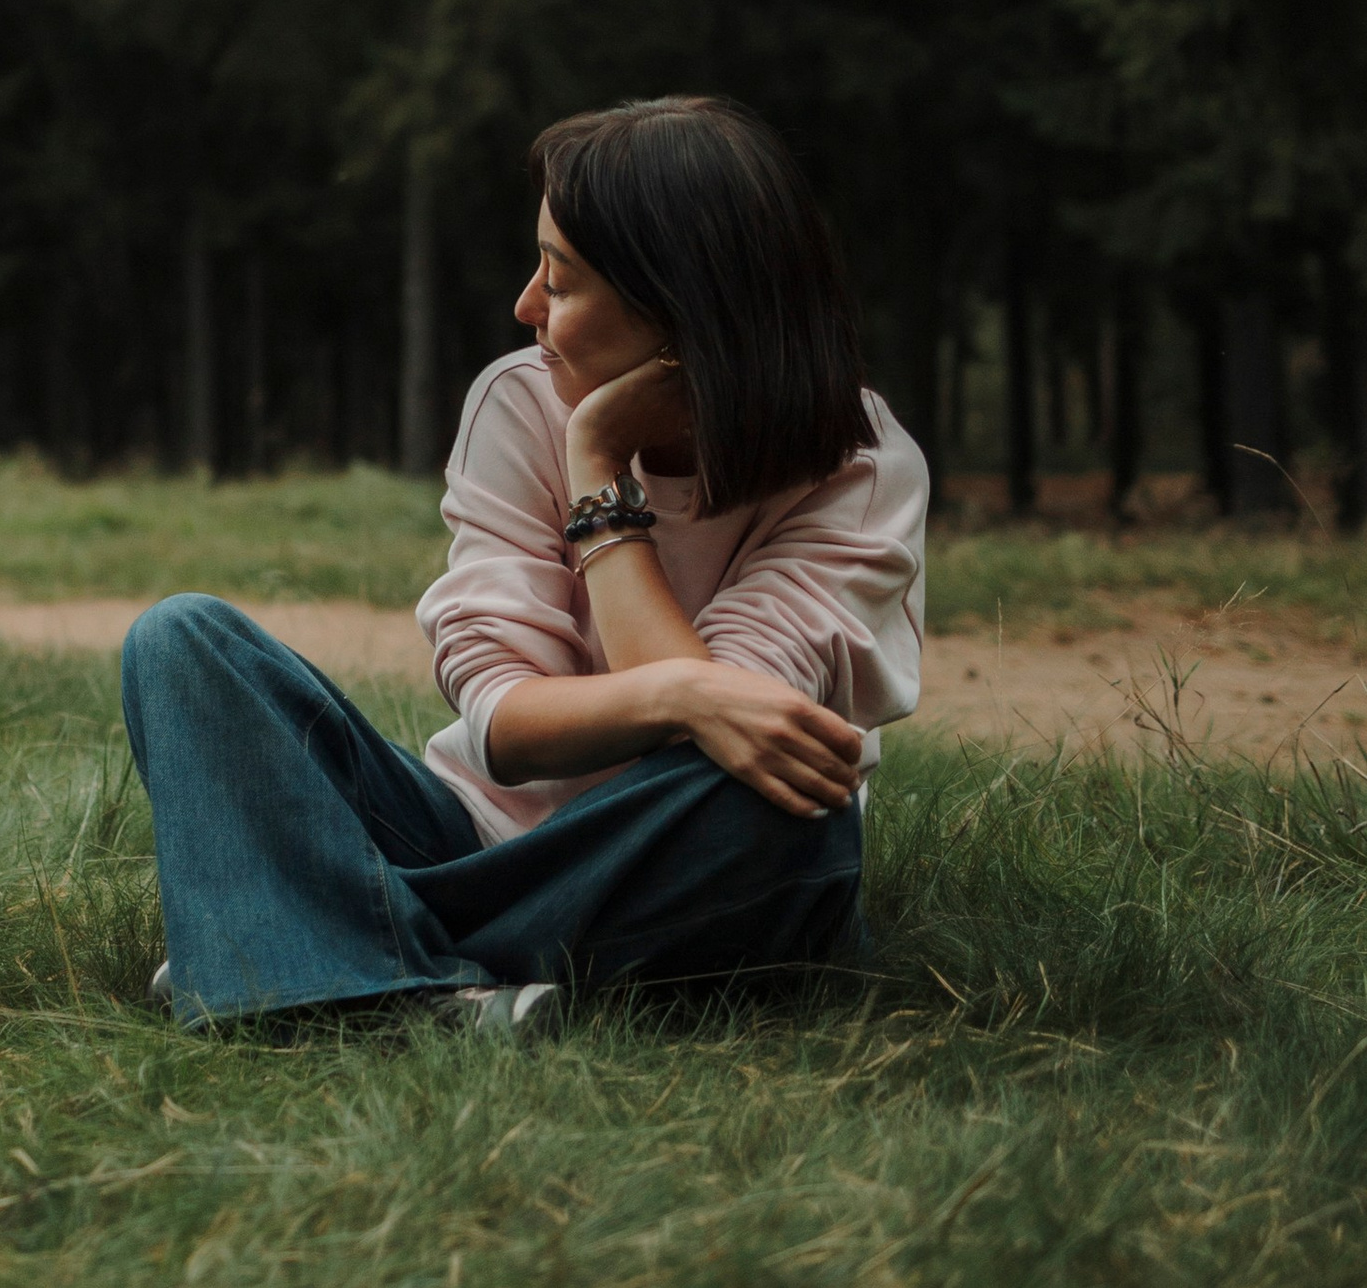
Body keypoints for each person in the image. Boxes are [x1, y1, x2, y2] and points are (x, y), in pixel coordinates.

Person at [122, 95, 926, 1033]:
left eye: (563, 278)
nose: (525, 305)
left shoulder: (860, 468)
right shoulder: (516, 401)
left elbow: (714, 737)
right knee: (181, 640)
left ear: (680, 312)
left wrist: (597, 471)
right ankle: (381, 977)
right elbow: (501, 717)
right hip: (464, 836)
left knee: (793, 816)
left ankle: (299, 948)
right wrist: (685, 695)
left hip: (668, 845)